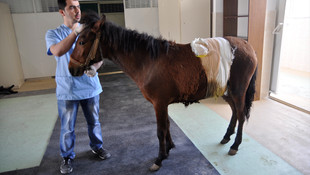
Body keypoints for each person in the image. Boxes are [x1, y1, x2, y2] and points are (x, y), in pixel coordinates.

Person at [45, 0, 110, 174]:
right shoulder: (54, 33)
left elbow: (101, 55)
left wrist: (95, 68)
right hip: (67, 89)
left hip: (90, 87)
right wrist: (74, 33)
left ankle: (97, 147)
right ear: (62, 12)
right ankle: (67, 156)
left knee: (94, 122)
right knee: (67, 128)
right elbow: (57, 51)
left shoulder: (90, 31)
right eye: (71, 7)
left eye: (78, 6)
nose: (77, 10)